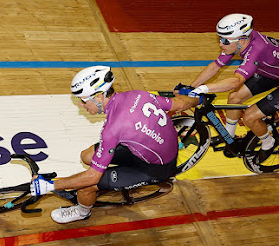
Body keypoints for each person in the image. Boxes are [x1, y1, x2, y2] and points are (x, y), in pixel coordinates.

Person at [30, 65, 199, 224]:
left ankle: (82, 212)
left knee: (86, 188)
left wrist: (50, 185)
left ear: (98, 96)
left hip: (155, 167)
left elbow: (91, 177)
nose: (81, 105)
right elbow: (181, 104)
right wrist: (197, 97)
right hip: (150, 148)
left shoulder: (113, 128)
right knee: (87, 156)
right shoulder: (138, 94)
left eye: (82, 100)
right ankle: (112, 179)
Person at [188, 13, 279, 163]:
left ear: (241, 40)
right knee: (234, 98)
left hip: (272, 72)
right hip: (272, 73)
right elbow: (215, 66)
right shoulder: (241, 41)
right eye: (219, 39)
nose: (220, 44)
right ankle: (228, 136)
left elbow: (236, 81)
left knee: (250, 117)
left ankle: (269, 143)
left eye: (224, 40)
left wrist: (203, 89)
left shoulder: (256, 49)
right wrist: (191, 87)